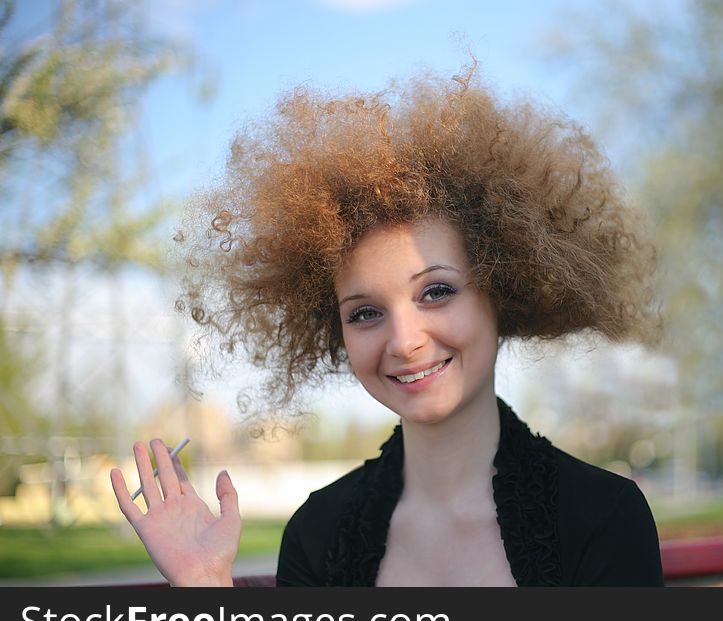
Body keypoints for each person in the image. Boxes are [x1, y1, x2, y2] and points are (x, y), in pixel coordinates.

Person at [110, 63, 664, 587]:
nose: (404, 340)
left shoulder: (603, 517)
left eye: (437, 292)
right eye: (366, 313)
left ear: (505, 291)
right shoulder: (318, 534)